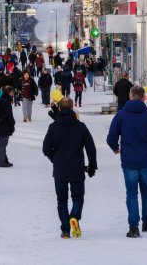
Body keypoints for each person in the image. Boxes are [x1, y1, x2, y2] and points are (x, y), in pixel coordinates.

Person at [106, 85, 147, 238]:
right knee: (146, 192)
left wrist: (115, 148)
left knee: (131, 193)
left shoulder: (121, 116)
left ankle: (133, 227)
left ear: (130, 97)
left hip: (129, 160)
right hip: (146, 160)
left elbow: (111, 136)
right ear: (144, 97)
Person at [43, 97, 97, 239]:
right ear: (73, 108)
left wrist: (54, 159)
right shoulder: (81, 127)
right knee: (78, 197)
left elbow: (45, 148)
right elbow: (91, 148)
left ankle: (65, 230)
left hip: (60, 169)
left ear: (59, 108)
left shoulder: (53, 127)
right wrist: (92, 166)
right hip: (77, 168)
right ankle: (74, 217)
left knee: (61, 200)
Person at [0, 85, 15, 168]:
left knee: (2, 144)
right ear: (10, 92)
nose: (13, 94)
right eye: (12, 92)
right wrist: (12, 124)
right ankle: (0, 162)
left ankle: (4, 160)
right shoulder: (6, 102)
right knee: (2, 145)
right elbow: (9, 116)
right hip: (4, 126)